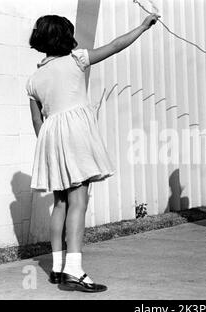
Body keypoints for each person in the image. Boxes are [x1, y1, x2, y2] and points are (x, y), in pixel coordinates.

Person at [27, 13, 159, 292]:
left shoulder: (34, 78)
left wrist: (52, 151)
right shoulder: (76, 59)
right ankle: (74, 271)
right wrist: (142, 27)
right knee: (79, 201)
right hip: (75, 135)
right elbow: (115, 45)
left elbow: (38, 122)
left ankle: (58, 268)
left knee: (60, 202)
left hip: (51, 138)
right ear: (66, 37)